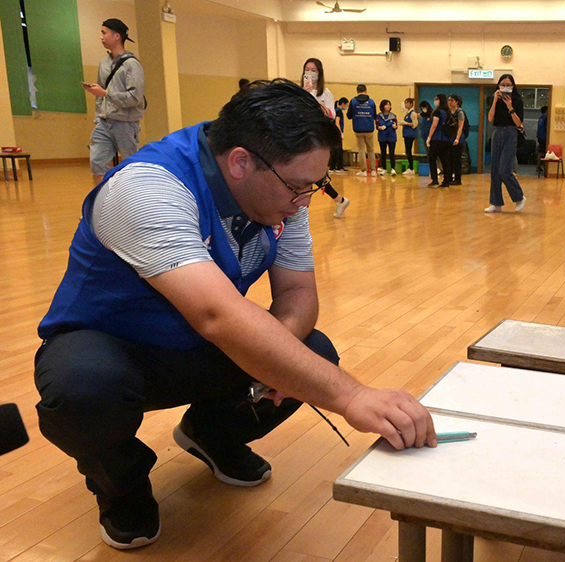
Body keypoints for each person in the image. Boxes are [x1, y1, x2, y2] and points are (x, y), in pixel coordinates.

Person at [33, 80, 437, 550]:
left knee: (311, 351)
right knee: (81, 387)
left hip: (202, 347)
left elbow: (298, 291)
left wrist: (280, 354)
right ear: (241, 161)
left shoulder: (283, 190)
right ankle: (120, 484)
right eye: (299, 187)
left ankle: (210, 434)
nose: (305, 200)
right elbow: (215, 314)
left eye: (315, 186)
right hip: (113, 350)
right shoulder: (147, 188)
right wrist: (351, 397)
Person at [83, 18, 145, 185]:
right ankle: (100, 202)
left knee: (129, 165)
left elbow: (135, 97)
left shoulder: (132, 65)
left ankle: (131, 200)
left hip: (126, 123)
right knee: (97, 162)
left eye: (104, 32)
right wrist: (98, 118)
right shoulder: (103, 64)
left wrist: (105, 93)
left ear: (117, 36)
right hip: (104, 122)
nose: (101, 37)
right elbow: (99, 96)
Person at [301, 59, 349, 216]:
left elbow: (330, 115)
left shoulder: (326, 93)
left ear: (319, 73)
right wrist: (303, 93)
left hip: (318, 139)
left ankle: (303, 211)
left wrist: (313, 98)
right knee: (310, 174)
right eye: (307, 69)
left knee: (310, 174)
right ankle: (339, 200)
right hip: (302, 138)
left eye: (313, 70)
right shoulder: (298, 92)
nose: (309, 73)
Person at [484, 74, 526, 213]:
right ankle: (496, 203)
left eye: (508, 85)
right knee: (495, 170)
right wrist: (495, 100)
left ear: (513, 86)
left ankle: (519, 197)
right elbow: (490, 118)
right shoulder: (495, 98)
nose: (505, 87)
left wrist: (510, 107)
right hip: (497, 133)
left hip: (511, 133)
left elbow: (518, 123)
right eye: (503, 84)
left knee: (504, 169)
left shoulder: (517, 101)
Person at [348, 84, 377, 176]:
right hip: (369, 128)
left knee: (361, 149)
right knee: (371, 150)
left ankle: (363, 170)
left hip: (358, 129)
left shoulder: (353, 101)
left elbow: (349, 115)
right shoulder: (372, 102)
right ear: (366, 91)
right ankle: (373, 171)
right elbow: (375, 116)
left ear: (357, 91)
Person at [425, 94, 452, 188]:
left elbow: (434, 125)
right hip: (447, 139)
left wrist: (429, 137)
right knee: (445, 160)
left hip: (437, 139)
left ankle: (435, 179)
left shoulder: (437, 112)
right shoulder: (448, 112)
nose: (435, 101)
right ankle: (446, 181)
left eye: (436, 99)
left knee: (432, 158)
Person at [448, 94, 467, 186]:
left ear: (456, 102)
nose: (449, 102)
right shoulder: (448, 112)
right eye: (448, 100)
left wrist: (457, 139)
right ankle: (450, 177)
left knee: (457, 159)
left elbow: (460, 127)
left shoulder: (460, 112)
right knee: (450, 158)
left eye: (451, 100)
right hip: (450, 137)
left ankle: (458, 178)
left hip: (458, 138)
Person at [376, 99, 398, 176]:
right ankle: (384, 168)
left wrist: (395, 126)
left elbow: (396, 126)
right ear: (383, 106)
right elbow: (377, 126)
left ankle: (393, 168)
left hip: (391, 136)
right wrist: (380, 127)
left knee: (392, 153)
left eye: (389, 104)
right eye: (386, 104)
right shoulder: (379, 116)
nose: (388, 106)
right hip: (382, 136)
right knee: (383, 153)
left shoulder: (393, 116)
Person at [401, 98, 420, 175]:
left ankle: (411, 168)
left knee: (409, 150)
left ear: (411, 104)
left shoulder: (413, 113)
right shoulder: (407, 112)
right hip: (406, 134)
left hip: (410, 134)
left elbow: (415, 124)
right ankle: (410, 167)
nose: (405, 105)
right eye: (405, 103)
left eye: (407, 103)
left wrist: (406, 123)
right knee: (407, 150)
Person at [331, 97, 350, 174]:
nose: (346, 107)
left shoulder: (335, 111)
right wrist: (340, 133)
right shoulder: (339, 112)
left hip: (334, 133)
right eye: (346, 105)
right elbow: (337, 122)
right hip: (337, 133)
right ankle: (339, 167)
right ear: (343, 104)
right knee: (338, 150)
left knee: (335, 150)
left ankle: (332, 167)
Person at [535, 105, 549, 176]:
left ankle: (538, 166)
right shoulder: (546, 118)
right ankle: (540, 166)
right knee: (542, 152)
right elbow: (547, 127)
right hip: (543, 137)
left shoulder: (541, 118)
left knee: (540, 151)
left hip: (539, 136)